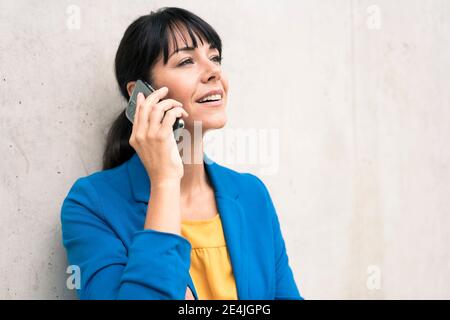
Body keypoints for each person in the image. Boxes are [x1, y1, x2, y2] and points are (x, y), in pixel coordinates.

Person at [61, 7, 302, 300]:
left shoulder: (252, 194)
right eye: (187, 61)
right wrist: (165, 182)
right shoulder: (91, 204)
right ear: (142, 95)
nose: (213, 71)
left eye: (214, 58)